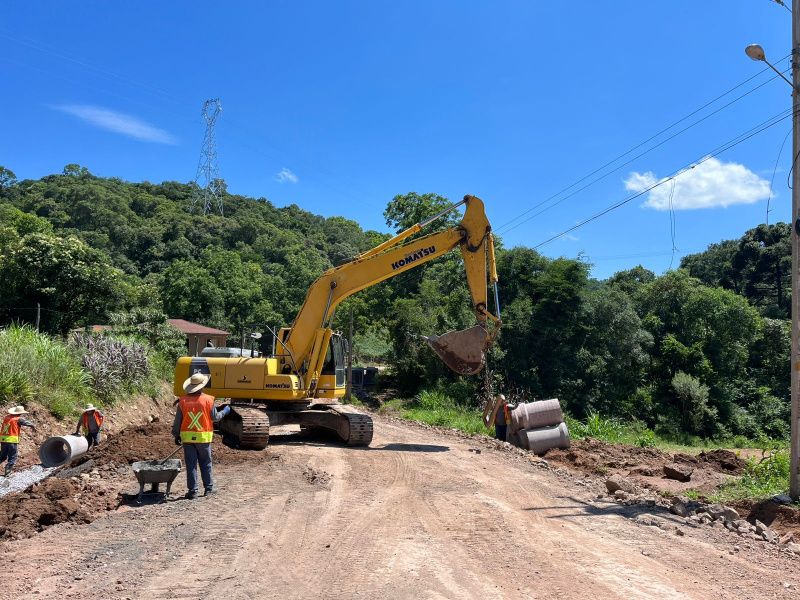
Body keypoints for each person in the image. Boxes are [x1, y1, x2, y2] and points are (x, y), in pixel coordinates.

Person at [171, 372, 230, 499]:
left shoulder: (182, 401)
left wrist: (176, 435)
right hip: (203, 438)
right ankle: (209, 488)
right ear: (202, 386)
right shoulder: (208, 400)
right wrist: (225, 411)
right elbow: (215, 418)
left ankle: (193, 491)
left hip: (187, 438)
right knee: (206, 463)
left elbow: (177, 421)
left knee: (191, 464)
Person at [0, 405, 37, 477]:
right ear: (19, 413)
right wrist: (33, 426)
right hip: (11, 440)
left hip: (3, 439)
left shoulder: (6, 417)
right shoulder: (18, 419)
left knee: (2, 456)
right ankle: (7, 473)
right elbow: (27, 423)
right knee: (13, 456)